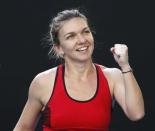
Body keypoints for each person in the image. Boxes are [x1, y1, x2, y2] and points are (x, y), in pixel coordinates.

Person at [13, 9, 145, 131]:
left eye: (85, 31)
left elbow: (137, 114)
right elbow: (23, 127)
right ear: (59, 48)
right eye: (71, 36)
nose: (82, 40)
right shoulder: (43, 82)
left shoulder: (112, 77)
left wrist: (125, 66)